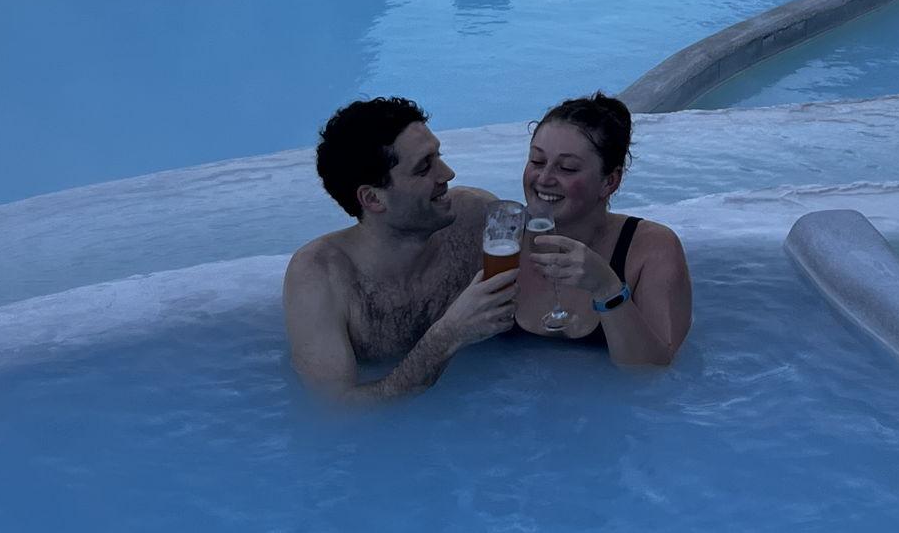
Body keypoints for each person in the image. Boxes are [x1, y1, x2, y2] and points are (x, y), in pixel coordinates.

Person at [282, 96, 517, 402]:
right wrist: (448, 335)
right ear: (373, 199)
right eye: (424, 168)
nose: (447, 174)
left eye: (439, 156)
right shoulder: (320, 276)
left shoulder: (476, 217)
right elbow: (336, 410)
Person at [517, 93, 692, 365]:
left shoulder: (651, 250)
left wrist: (606, 288)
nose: (544, 178)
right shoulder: (501, 239)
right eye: (537, 161)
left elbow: (654, 377)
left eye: (567, 168)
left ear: (609, 182)